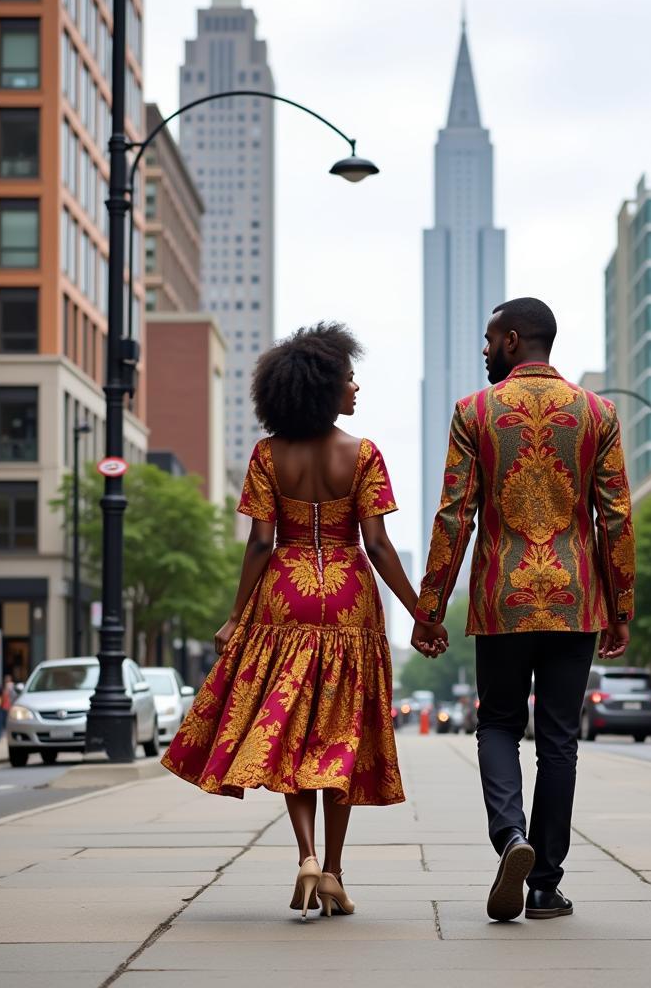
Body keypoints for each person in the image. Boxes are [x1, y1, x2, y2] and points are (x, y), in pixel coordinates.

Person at [163, 322, 446, 921]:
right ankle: (338, 872)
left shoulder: (268, 455)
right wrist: (422, 610)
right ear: (324, 388)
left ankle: (308, 856)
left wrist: (237, 617)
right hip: (348, 601)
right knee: (340, 737)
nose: (355, 386)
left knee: (291, 733)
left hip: (282, 601)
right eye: (347, 377)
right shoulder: (363, 453)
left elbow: (261, 542)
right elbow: (378, 544)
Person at [412, 297, 635, 923]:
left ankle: (511, 837)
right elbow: (614, 514)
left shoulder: (473, 412)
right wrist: (622, 605)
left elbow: (455, 514)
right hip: (576, 596)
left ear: (513, 340)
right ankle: (543, 885)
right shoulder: (599, 413)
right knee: (559, 741)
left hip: (503, 596)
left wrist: (430, 609)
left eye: (489, 340)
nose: (484, 350)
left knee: (499, 723)